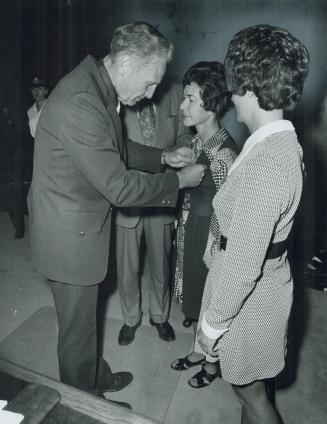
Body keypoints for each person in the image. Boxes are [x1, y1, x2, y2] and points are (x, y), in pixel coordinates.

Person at [27, 22, 205, 402]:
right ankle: (83, 406)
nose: (152, 93)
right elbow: (120, 186)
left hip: (76, 226)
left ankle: (96, 378)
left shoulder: (96, 82)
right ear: (125, 63)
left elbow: (114, 146)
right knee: (77, 336)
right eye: (150, 83)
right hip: (67, 239)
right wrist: (178, 182)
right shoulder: (82, 101)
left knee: (86, 325)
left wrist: (162, 156)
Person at [193, 25, 309, 424]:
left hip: (249, 303)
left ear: (248, 85)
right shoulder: (275, 145)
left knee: (253, 399)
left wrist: (211, 325)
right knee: (254, 394)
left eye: (233, 85)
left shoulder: (265, 162)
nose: (230, 97)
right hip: (261, 292)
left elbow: (242, 265)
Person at [170, 62, 237, 383]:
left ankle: (211, 366)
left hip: (208, 237)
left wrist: (213, 251)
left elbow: (228, 215)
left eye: (191, 99)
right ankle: (199, 351)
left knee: (211, 301)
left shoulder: (224, 154)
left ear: (211, 105)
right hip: (191, 227)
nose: (183, 106)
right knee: (197, 298)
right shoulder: (199, 141)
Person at [116, 82, 193, 346]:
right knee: (128, 264)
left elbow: (184, 133)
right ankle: (129, 319)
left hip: (164, 191)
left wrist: (180, 149)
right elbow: (115, 145)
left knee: (161, 260)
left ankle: (159, 316)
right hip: (129, 192)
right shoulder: (120, 92)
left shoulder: (174, 93)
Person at [0, 106, 25, 239]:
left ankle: (19, 228)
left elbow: (13, 143)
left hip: (7, 164)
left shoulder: (7, 121)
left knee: (11, 197)